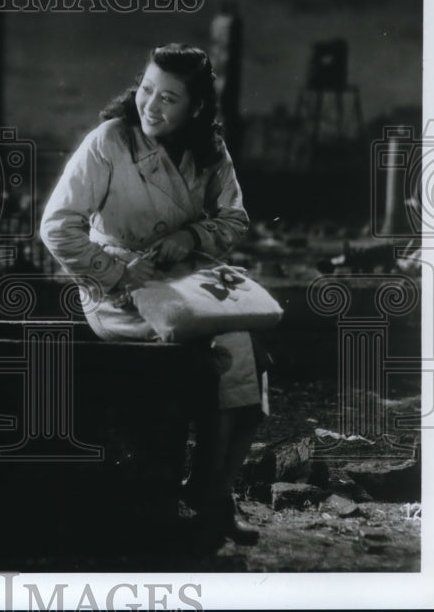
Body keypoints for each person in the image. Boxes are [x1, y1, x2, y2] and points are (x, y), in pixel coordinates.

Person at [40, 42, 265, 547]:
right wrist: (118, 275)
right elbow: (57, 228)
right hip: (118, 289)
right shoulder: (109, 141)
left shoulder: (211, 149)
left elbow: (235, 217)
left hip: (186, 280)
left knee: (247, 357)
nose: (151, 106)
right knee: (212, 358)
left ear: (197, 107)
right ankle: (191, 498)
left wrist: (189, 238)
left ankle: (213, 492)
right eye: (146, 90)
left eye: (169, 98)